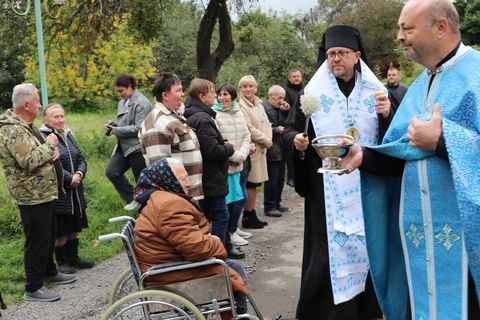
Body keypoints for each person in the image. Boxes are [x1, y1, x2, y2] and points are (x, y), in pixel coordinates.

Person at [338, 0, 480, 319]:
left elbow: (431, 144)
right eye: (399, 29)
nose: (399, 36)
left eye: (407, 28)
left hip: (466, 244)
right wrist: (367, 155)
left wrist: (442, 140)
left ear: (440, 26)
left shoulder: (477, 74)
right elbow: (406, 149)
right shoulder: (421, 83)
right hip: (420, 238)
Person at [285, 25, 392, 319]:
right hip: (326, 192)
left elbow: (393, 138)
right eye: (331, 54)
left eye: (342, 53)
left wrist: (387, 115)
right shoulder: (312, 93)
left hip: (366, 185)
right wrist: (296, 141)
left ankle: (367, 310)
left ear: (357, 56)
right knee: (327, 252)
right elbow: (291, 129)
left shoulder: (377, 92)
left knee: (368, 247)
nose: (336, 59)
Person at [133, 158, 251, 317]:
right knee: (231, 269)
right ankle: (238, 315)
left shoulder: (158, 197)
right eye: (183, 179)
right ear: (168, 178)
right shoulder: (169, 204)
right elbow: (196, 249)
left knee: (231, 267)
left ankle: (236, 314)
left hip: (165, 266)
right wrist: (215, 242)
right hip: (168, 275)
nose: (188, 183)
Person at [0, 84, 75, 302]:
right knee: (37, 241)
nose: (40, 105)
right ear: (26, 104)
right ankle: (33, 287)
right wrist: (50, 144)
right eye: (37, 101)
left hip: (43, 192)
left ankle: (50, 272)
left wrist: (51, 150)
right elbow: (29, 161)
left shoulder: (25, 125)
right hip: (31, 196)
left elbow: (38, 153)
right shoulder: (11, 129)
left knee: (48, 235)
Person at [184, 79, 246, 259]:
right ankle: (216, 256)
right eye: (212, 92)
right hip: (211, 177)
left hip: (207, 177)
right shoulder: (202, 119)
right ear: (202, 96)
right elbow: (212, 151)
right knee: (220, 217)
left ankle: (223, 247)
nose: (215, 96)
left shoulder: (197, 114)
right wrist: (228, 147)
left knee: (209, 216)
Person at [39, 104, 93, 273]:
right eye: (56, 117)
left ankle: (73, 258)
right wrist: (69, 179)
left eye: (62, 116)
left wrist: (79, 174)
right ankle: (62, 262)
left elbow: (81, 158)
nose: (61, 120)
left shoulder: (67, 133)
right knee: (61, 228)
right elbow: (49, 163)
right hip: (60, 190)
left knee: (74, 225)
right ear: (46, 119)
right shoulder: (43, 137)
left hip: (76, 189)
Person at [138, 72, 203, 199]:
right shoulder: (157, 124)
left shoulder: (172, 116)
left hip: (188, 195)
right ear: (165, 95)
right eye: (178, 90)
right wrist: (175, 201)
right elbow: (161, 172)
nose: (183, 94)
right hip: (178, 198)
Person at [212, 83, 253, 246]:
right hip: (226, 164)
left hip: (240, 162)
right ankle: (230, 232)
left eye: (225, 95)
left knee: (240, 198)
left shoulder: (238, 112)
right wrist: (236, 156)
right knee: (229, 202)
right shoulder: (215, 114)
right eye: (219, 95)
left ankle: (233, 228)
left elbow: (246, 135)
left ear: (233, 97)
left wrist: (242, 154)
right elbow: (220, 141)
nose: (222, 98)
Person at [105, 74, 152, 211]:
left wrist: (117, 130)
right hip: (124, 147)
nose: (119, 94)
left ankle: (147, 214)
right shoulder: (122, 102)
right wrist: (114, 126)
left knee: (142, 184)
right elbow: (125, 123)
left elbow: (139, 127)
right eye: (118, 91)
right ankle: (133, 199)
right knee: (112, 171)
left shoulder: (142, 103)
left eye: (121, 91)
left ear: (130, 87)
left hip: (138, 148)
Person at [237, 75, 272, 228]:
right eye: (244, 86)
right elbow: (248, 127)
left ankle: (252, 212)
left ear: (255, 88)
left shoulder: (259, 104)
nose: (248, 89)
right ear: (240, 89)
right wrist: (265, 140)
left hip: (262, 148)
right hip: (253, 149)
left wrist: (268, 139)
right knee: (250, 183)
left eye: (250, 86)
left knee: (256, 183)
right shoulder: (240, 105)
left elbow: (266, 122)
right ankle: (247, 216)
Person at [262, 85, 290, 217]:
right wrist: (276, 130)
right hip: (271, 149)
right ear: (271, 97)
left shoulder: (280, 108)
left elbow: (287, 123)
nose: (282, 100)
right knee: (272, 180)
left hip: (281, 148)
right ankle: (269, 206)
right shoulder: (263, 108)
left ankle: (277, 203)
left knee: (279, 179)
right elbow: (261, 129)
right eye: (280, 97)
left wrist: (285, 111)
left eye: (283, 97)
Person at [284, 69, 304, 187]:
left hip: (303, 125)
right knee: (292, 154)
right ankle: (292, 177)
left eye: (298, 76)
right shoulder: (286, 91)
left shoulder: (305, 90)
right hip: (291, 125)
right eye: (294, 76)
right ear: (289, 78)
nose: (296, 78)